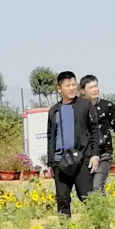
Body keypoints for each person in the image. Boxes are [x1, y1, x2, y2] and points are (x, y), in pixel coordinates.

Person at [46, 69, 95, 214]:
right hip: (60, 162)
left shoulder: (85, 106)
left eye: (74, 84)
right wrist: (51, 162)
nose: (72, 88)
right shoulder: (54, 110)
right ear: (59, 89)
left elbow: (94, 131)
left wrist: (95, 154)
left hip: (81, 159)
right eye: (68, 85)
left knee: (87, 196)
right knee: (62, 199)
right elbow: (50, 137)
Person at [80, 74, 115, 193]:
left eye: (96, 86)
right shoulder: (78, 108)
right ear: (82, 91)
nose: (95, 89)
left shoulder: (107, 106)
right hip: (86, 154)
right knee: (88, 189)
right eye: (91, 87)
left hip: (104, 153)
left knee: (97, 187)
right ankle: (99, 211)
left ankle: (103, 211)